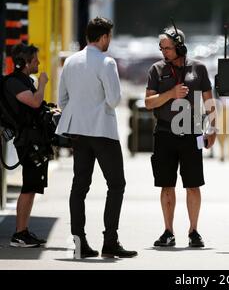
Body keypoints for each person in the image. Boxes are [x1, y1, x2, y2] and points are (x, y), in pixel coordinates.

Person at [57, 17, 137, 259]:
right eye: (109, 37)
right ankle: (110, 241)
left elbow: (62, 100)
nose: (109, 41)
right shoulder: (107, 62)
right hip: (103, 130)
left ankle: (79, 241)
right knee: (116, 184)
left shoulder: (70, 61)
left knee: (79, 186)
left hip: (78, 132)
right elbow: (114, 100)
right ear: (103, 37)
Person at [145, 26, 216, 248]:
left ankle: (194, 231)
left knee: (193, 185)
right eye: (161, 48)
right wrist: (170, 94)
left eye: (167, 48)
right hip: (165, 132)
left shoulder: (200, 68)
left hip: (192, 131)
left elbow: (208, 100)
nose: (163, 52)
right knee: (167, 184)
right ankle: (168, 231)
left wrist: (213, 127)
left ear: (180, 46)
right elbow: (148, 103)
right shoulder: (156, 70)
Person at [3, 44, 49, 247]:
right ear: (24, 62)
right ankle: (19, 234)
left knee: (32, 187)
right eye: (35, 60)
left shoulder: (23, 81)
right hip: (27, 141)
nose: (38, 62)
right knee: (28, 187)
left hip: (34, 140)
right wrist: (42, 85)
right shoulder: (14, 83)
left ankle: (23, 231)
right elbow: (34, 102)